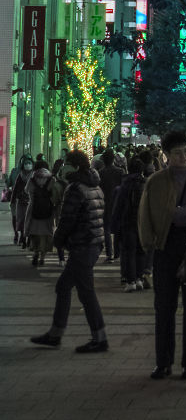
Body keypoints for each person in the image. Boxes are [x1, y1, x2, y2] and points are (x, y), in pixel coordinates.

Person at [138, 129, 186, 380]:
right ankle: (163, 362)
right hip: (165, 248)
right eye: (178, 152)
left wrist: (181, 213)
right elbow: (147, 214)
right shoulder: (156, 181)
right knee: (164, 307)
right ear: (166, 155)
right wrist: (149, 243)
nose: (183, 156)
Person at [30, 149, 108, 353]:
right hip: (92, 244)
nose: (63, 167)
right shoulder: (95, 186)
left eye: (66, 163)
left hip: (83, 245)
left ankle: (99, 337)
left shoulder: (76, 188)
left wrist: (59, 239)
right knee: (64, 286)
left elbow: (67, 219)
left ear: (74, 166)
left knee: (85, 292)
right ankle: (56, 333)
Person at [111, 154, 148, 291]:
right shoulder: (146, 184)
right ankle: (139, 278)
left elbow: (118, 206)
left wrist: (114, 225)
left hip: (127, 222)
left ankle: (131, 281)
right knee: (140, 251)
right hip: (142, 223)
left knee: (129, 252)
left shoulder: (125, 185)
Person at [24, 156, 58, 266]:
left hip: (34, 208)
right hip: (48, 209)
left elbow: (27, 190)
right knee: (46, 234)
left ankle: (35, 253)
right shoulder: (51, 179)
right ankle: (42, 257)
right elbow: (55, 194)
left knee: (35, 233)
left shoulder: (33, 178)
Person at [95, 146, 125, 267]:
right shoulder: (120, 171)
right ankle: (118, 252)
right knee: (118, 228)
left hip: (105, 202)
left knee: (106, 229)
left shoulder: (100, 173)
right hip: (118, 201)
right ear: (113, 159)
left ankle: (109, 254)